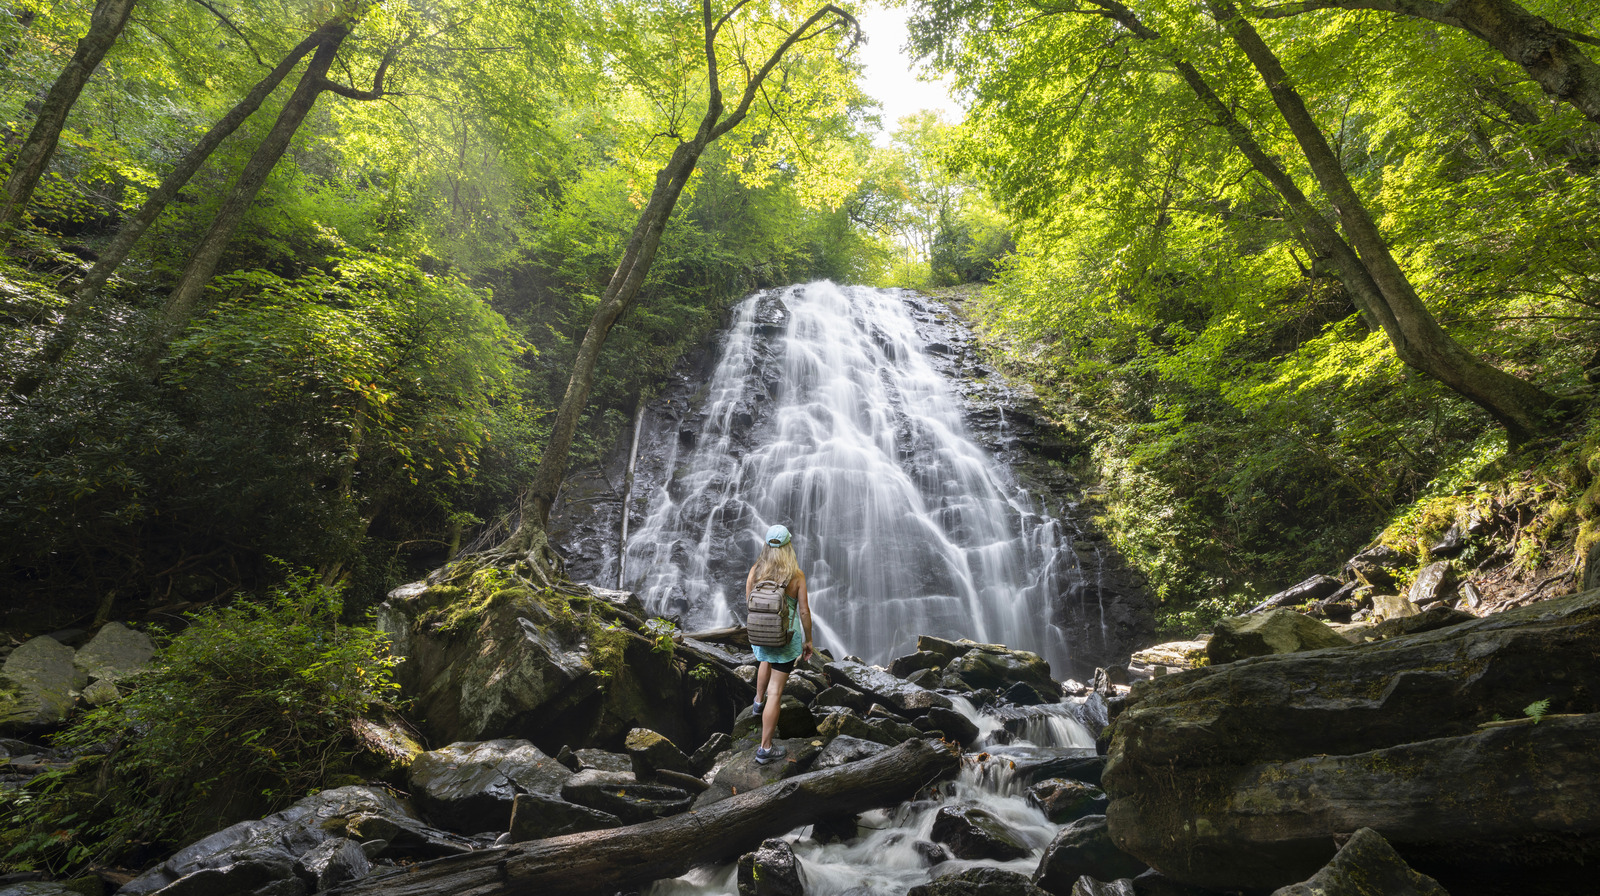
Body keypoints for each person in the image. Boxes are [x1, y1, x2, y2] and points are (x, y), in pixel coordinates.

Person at [747, 523, 813, 764]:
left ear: (766, 545)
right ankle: (765, 748)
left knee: (765, 659)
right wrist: (808, 640)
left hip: (760, 635)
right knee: (777, 692)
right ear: (788, 546)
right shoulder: (796, 575)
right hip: (785, 640)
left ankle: (757, 702)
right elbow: (804, 612)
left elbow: (748, 601)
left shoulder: (756, 570)